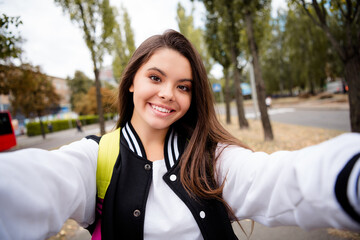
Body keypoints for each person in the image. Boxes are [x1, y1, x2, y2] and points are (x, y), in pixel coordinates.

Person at [0, 30, 359, 240]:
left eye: (183, 86)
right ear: (131, 83)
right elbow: (37, 182)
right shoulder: (95, 158)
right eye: (155, 78)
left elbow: (283, 179)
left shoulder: (211, 158)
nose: (168, 94)